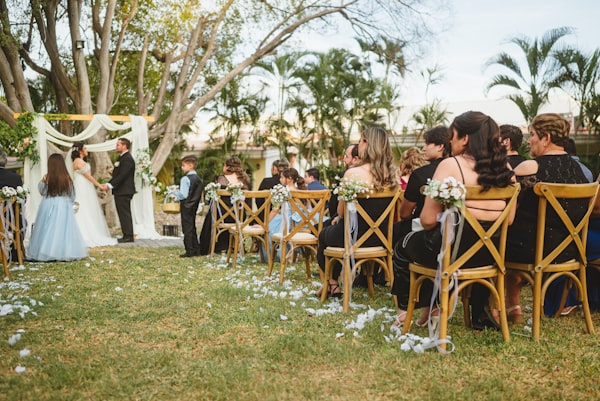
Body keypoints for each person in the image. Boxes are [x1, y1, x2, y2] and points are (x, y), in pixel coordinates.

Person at [391, 111, 515, 331]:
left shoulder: (451, 166)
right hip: (491, 254)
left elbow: (427, 220)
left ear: (465, 138)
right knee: (439, 242)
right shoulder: (506, 170)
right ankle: (442, 309)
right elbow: (510, 219)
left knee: (404, 246)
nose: (450, 140)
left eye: (453, 134)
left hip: (452, 252)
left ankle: (405, 311)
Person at [505, 113, 589, 321]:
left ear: (546, 138)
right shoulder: (580, 170)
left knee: (500, 234)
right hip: (570, 250)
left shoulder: (530, 167)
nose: (529, 140)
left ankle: (508, 304)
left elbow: (508, 210)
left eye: (532, 134)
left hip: (533, 249)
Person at [316, 127, 398, 298]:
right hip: (380, 238)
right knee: (334, 230)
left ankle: (332, 284)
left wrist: (338, 217)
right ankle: (332, 285)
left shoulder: (353, 173)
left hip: (352, 237)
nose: (359, 144)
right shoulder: (391, 176)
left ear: (367, 144)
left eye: (361, 140)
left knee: (324, 234)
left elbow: (341, 211)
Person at [393, 126, 451, 242]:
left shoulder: (420, 174)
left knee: (391, 231)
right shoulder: (460, 172)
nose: (423, 148)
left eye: (427, 144)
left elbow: (404, 213)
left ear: (440, 147)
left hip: (424, 234)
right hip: (454, 233)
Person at [26, 154, 88, 262]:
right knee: (62, 230)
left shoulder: (46, 178)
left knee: (46, 228)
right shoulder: (67, 179)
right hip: (64, 205)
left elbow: (42, 191)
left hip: (47, 204)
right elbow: (72, 196)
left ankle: (45, 251)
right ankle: (63, 251)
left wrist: (43, 182)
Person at [198, 156, 251, 255]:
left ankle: (214, 246)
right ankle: (232, 246)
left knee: (212, 212)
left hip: (222, 216)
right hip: (239, 216)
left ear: (227, 167)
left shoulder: (220, 179)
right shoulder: (245, 181)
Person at [69, 142, 117, 247]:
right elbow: (88, 176)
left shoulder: (81, 161)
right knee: (83, 207)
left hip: (85, 186)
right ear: (80, 150)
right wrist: (99, 185)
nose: (87, 150)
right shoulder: (78, 161)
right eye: (85, 148)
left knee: (87, 207)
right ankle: (84, 233)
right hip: (82, 186)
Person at [263, 167, 308, 261]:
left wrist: (264, 224)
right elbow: (308, 208)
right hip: (303, 221)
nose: (280, 180)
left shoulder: (283, 191)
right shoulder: (303, 190)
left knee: (270, 228)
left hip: (289, 222)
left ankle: (275, 256)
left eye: (282, 177)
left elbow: (275, 210)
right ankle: (295, 253)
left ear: (290, 178)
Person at [102, 137, 135, 243]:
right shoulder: (121, 158)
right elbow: (119, 174)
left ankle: (129, 236)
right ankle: (126, 234)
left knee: (124, 213)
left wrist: (109, 185)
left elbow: (123, 176)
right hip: (121, 190)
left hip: (124, 190)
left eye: (118, 144)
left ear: (125, 146)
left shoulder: (127, 158)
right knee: (122, 213)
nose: (116, 146)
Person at [172, 155, 204, 258]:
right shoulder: (198, 179)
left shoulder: (185, 179)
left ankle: (189, 250)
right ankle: (196, 249)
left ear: (190, 166)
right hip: (194, 205)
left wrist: (175, 194)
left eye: (183, 165)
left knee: (187, 228)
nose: (182, 168)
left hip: (186, 205)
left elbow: (183, 194)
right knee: (192, 227)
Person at [0, 148, 24, 261]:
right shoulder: (15, 178)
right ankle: (15, 254)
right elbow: (22, 200)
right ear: (5, 162)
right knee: (22, 220)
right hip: (11, 220)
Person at [327, 144, 360, 225]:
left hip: (345, 223)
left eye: (347, 156)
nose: (344, 160)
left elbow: (334, 207)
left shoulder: (345, 176)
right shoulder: (375, 177)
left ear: (355, 159)